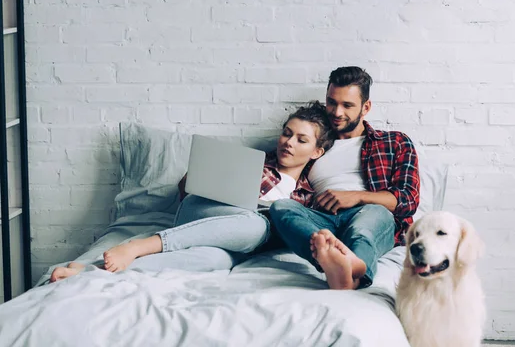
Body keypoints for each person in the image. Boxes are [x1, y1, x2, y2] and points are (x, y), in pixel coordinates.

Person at [50, 101, 334, 282]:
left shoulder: (306, 200)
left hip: (241, 244)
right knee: (255, 224)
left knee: (216, 260)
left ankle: (93, 272)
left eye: (301, 139)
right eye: (287, 133)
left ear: (317, 151)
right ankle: (137, 245)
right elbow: (188, 194)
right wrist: (196, 177)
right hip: (200, 213)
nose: (289, 143)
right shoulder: (252, 163)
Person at [269, 66, 420, 290]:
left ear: (365, 107)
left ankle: (352, 270)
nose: (337, 112)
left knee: (366, 225)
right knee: (282, 207)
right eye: (332, 102)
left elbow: (408, 200)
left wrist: (356, 197)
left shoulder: (394, 142)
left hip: (369, 213)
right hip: (322, 220)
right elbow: (278, 178)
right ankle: (329, 256)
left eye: (347, 105)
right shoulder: (309, 143)